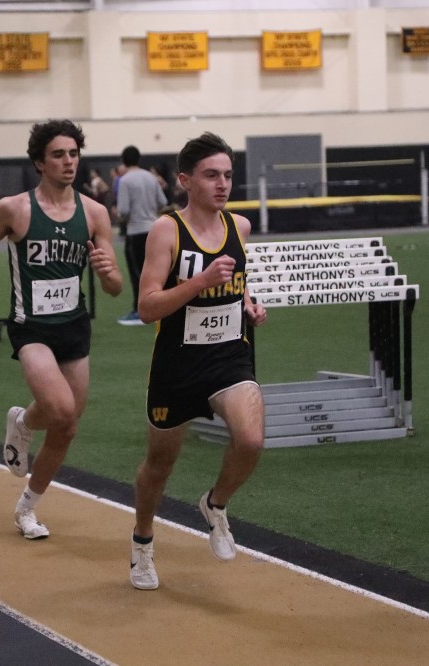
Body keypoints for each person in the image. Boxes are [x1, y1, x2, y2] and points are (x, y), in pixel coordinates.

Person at [0, 119, 123, 540]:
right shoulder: (14, 209)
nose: (68, 162)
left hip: (74, 325)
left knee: (67, 425)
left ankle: (26, 505)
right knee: (61, 409)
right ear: (39, 162)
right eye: (58, 155)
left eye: (73, 154)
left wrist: (107, 272)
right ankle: (26, 422)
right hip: (30, 326)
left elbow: (115, 288)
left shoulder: (95, 213)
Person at [130, 132, 268, 590]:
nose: (222, 184)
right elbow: (147, 306)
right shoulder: (167, 231)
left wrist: (248, 304)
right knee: (159, 467)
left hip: (229, 358)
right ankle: (142, 543)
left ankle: (216, 503)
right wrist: (199, 282)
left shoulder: (240, 227)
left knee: (250, 439)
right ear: (185, 180)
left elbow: (236, 281)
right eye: (211, 175)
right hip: (178, 366)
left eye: (228, 175)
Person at [115, 145, 167, 325]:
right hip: (154, 230)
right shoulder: (151, 177)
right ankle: (160, 308)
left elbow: (123, 210)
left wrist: (119, 215)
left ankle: (139, 311)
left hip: (136, 231)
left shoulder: (125, 180)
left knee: (137, 274)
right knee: (156, 273)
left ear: (123, 161)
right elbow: (162, 202)